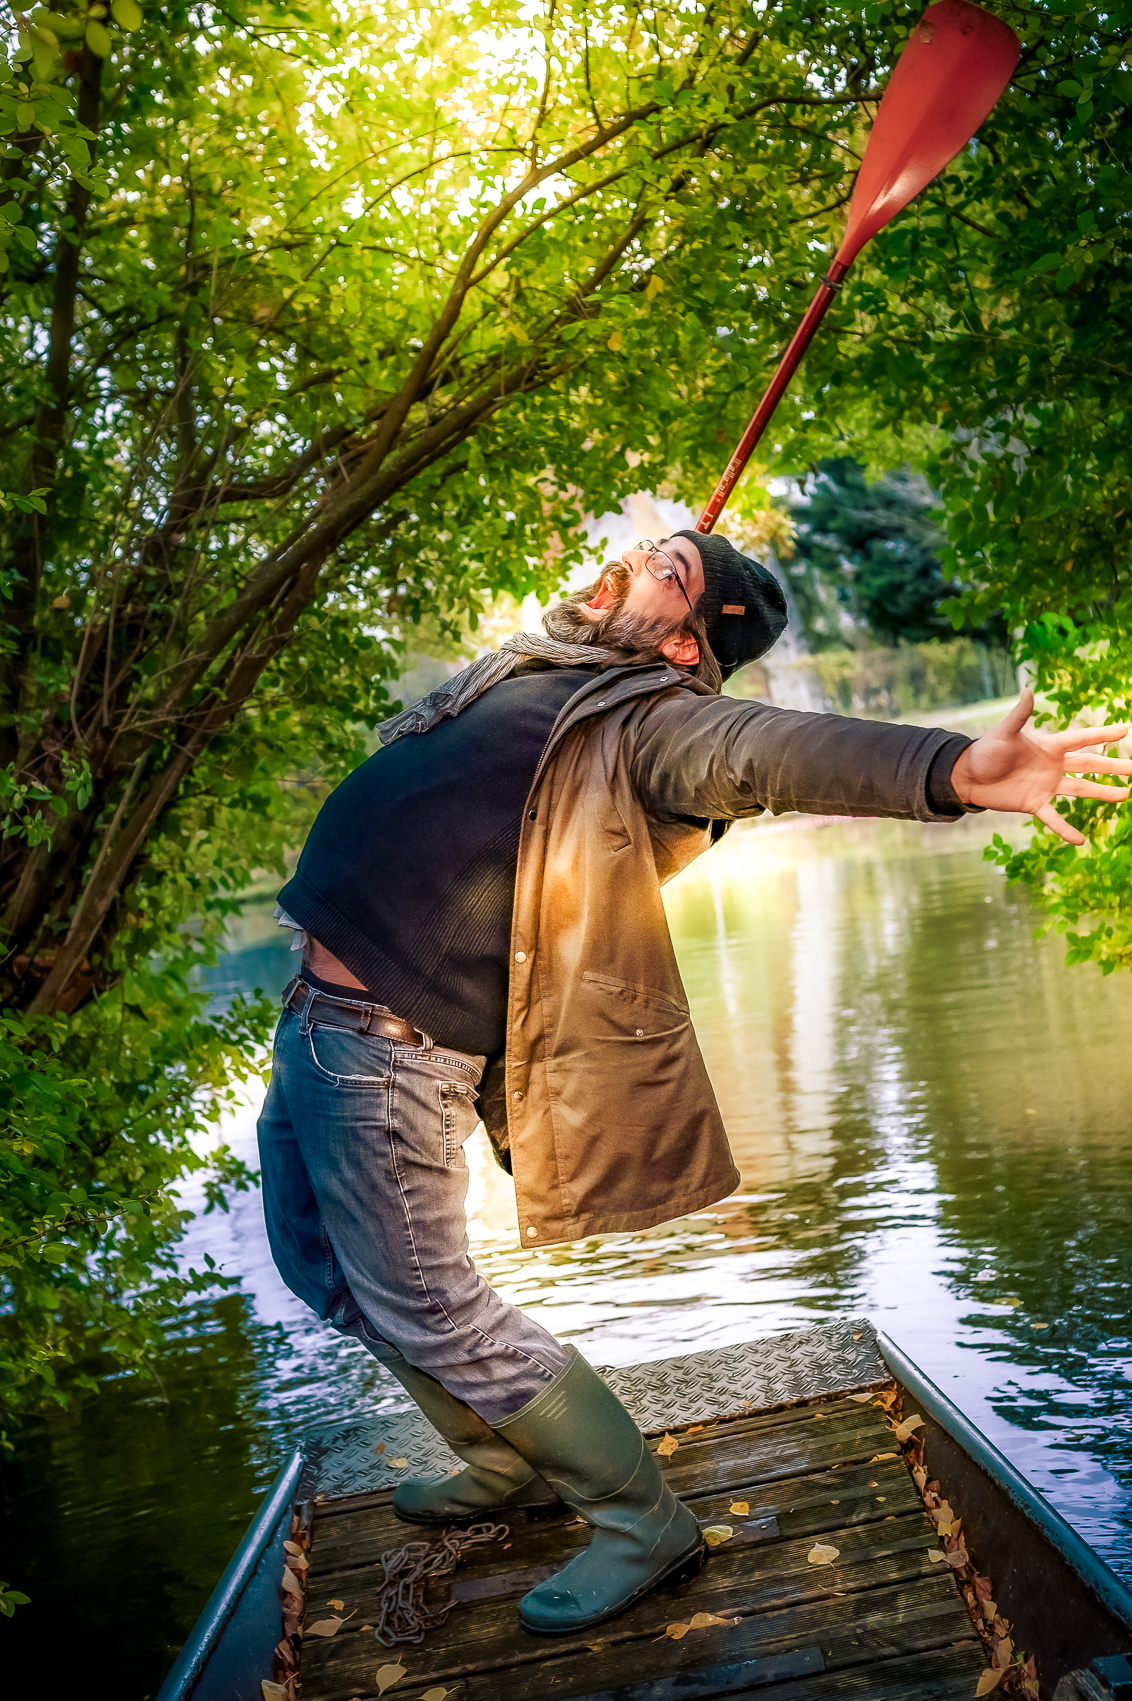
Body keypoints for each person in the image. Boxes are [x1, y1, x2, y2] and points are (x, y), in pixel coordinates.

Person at [258, 529, 1130, 1635]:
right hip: (320, 1017)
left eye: (665, 569)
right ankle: (501, 1455)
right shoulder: (560, 675)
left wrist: (951, 772)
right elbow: (588, 635)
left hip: (392, 1041)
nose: (627, 557)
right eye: (645, 546)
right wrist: (647, 587)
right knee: (320, 1262)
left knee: (430, 1303)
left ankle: (638, 1522)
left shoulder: (655, 726)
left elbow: (776, 750)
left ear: (684, 646)